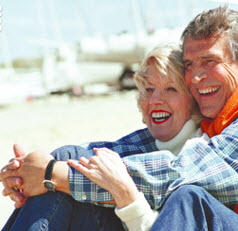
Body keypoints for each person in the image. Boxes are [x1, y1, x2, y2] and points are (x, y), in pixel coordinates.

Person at [2, 5, 238, 230]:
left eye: (210, 61)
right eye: (191, 64)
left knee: (188, 199)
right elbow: (109, 153)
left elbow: (176, 173)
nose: (196, 75)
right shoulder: (217, 119)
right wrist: (28, 173)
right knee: (70, 157)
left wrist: (55, 175)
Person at [1, 44, 210, 231]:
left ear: (193, 99)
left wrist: (48, 173)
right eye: (148, 89)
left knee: (61, 167)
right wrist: (25, 171)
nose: (155, 100)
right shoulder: (144, 142)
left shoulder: (201, 152)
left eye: (171, 89)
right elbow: (86, 150)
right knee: (65, 159)